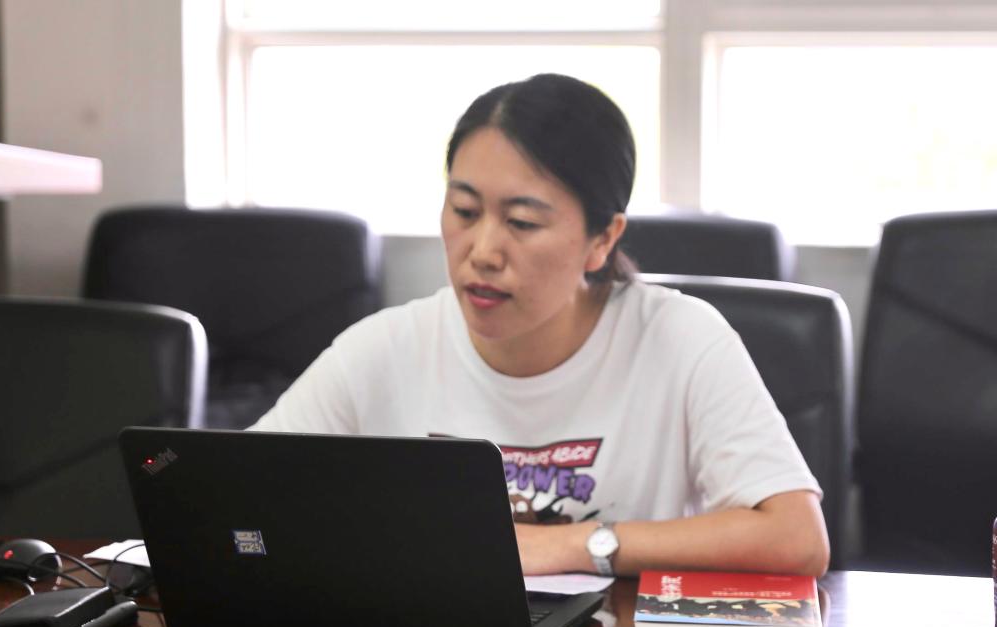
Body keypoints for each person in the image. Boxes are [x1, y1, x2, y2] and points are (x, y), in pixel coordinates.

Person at [252, 73, 830, 577]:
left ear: (602, 239)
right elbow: (235, 498)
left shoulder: (680, 339)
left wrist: (572, 545)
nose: (483, 251)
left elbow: (797, 538)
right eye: (465, 211)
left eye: (523, 222)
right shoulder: (386, 348)